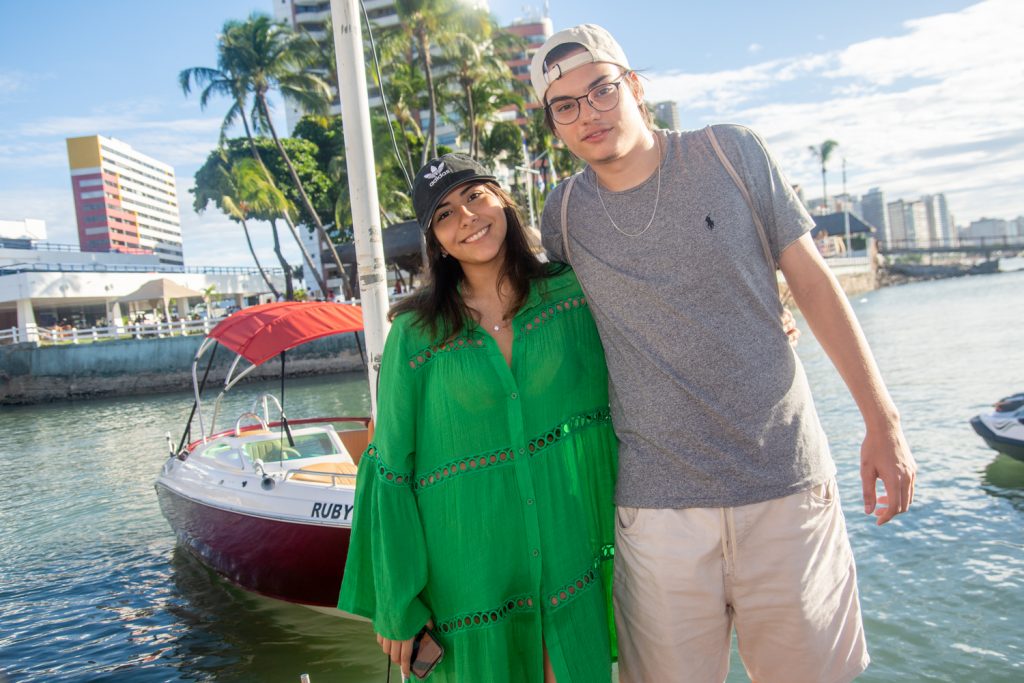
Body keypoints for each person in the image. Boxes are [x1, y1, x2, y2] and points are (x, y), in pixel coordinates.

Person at [530, 24, 917, 683]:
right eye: (565, 105)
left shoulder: (730, 153)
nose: (587, 113)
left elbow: (815, 285)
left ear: (636, 87)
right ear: (553, 123)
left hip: (787, 485)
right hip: (657, 511)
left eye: (601, 90)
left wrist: (883, 423)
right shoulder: (564, 214)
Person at [338, 154, 618, 682]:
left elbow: (639, 345)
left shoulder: (570, 294)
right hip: (468, 576)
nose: (466, 216)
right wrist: (397, 602)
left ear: (503, 201)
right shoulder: (415, 335)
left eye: (475, 195)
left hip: (567, 552)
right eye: (444, 214)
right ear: (436, 241)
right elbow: (392, 465)